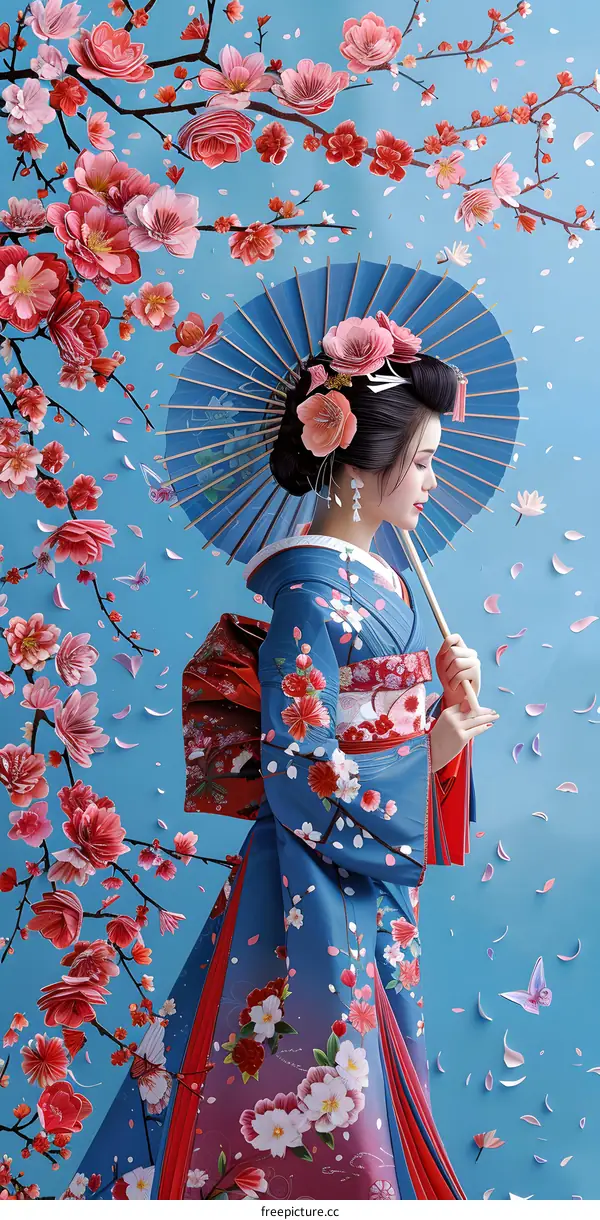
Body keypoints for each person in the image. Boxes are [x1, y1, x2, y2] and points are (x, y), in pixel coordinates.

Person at [70, 317, 499, 1201]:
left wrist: (446, 697)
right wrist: (433, 748)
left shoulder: (373, 586)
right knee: (316, 1091)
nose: (430, 479)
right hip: (309, 888)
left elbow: (384, 726)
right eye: (419, 460)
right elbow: (298, 771)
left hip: (365, 879)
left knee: (370, 1075)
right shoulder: (310, 593)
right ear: (352, 461)